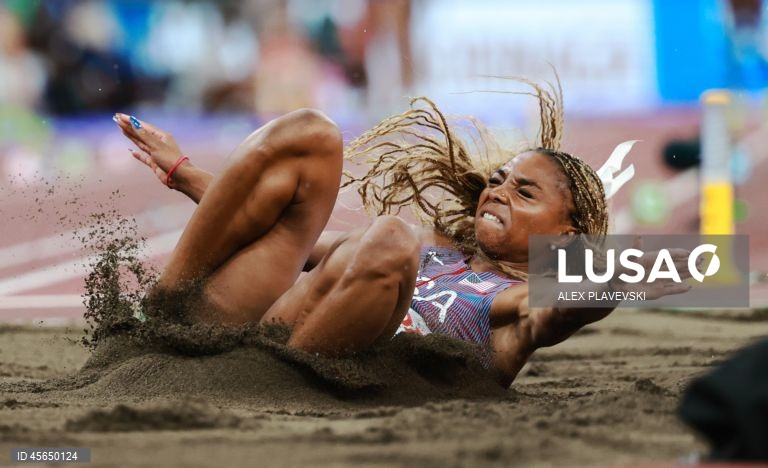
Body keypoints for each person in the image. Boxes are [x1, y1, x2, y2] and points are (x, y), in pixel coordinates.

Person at [113, 81, 690, 387]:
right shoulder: (433, 255)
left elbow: (565, 308)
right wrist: (183, 173)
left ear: (565, 239)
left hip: (292, 372)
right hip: (250, 332)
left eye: (524, 192)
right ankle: (162, 316)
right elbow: (289, 236)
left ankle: (262, 371)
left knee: (391, 238)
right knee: (311, 135)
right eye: (499, 179)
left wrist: (634, 274)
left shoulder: (517, 309)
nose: (497, 191)